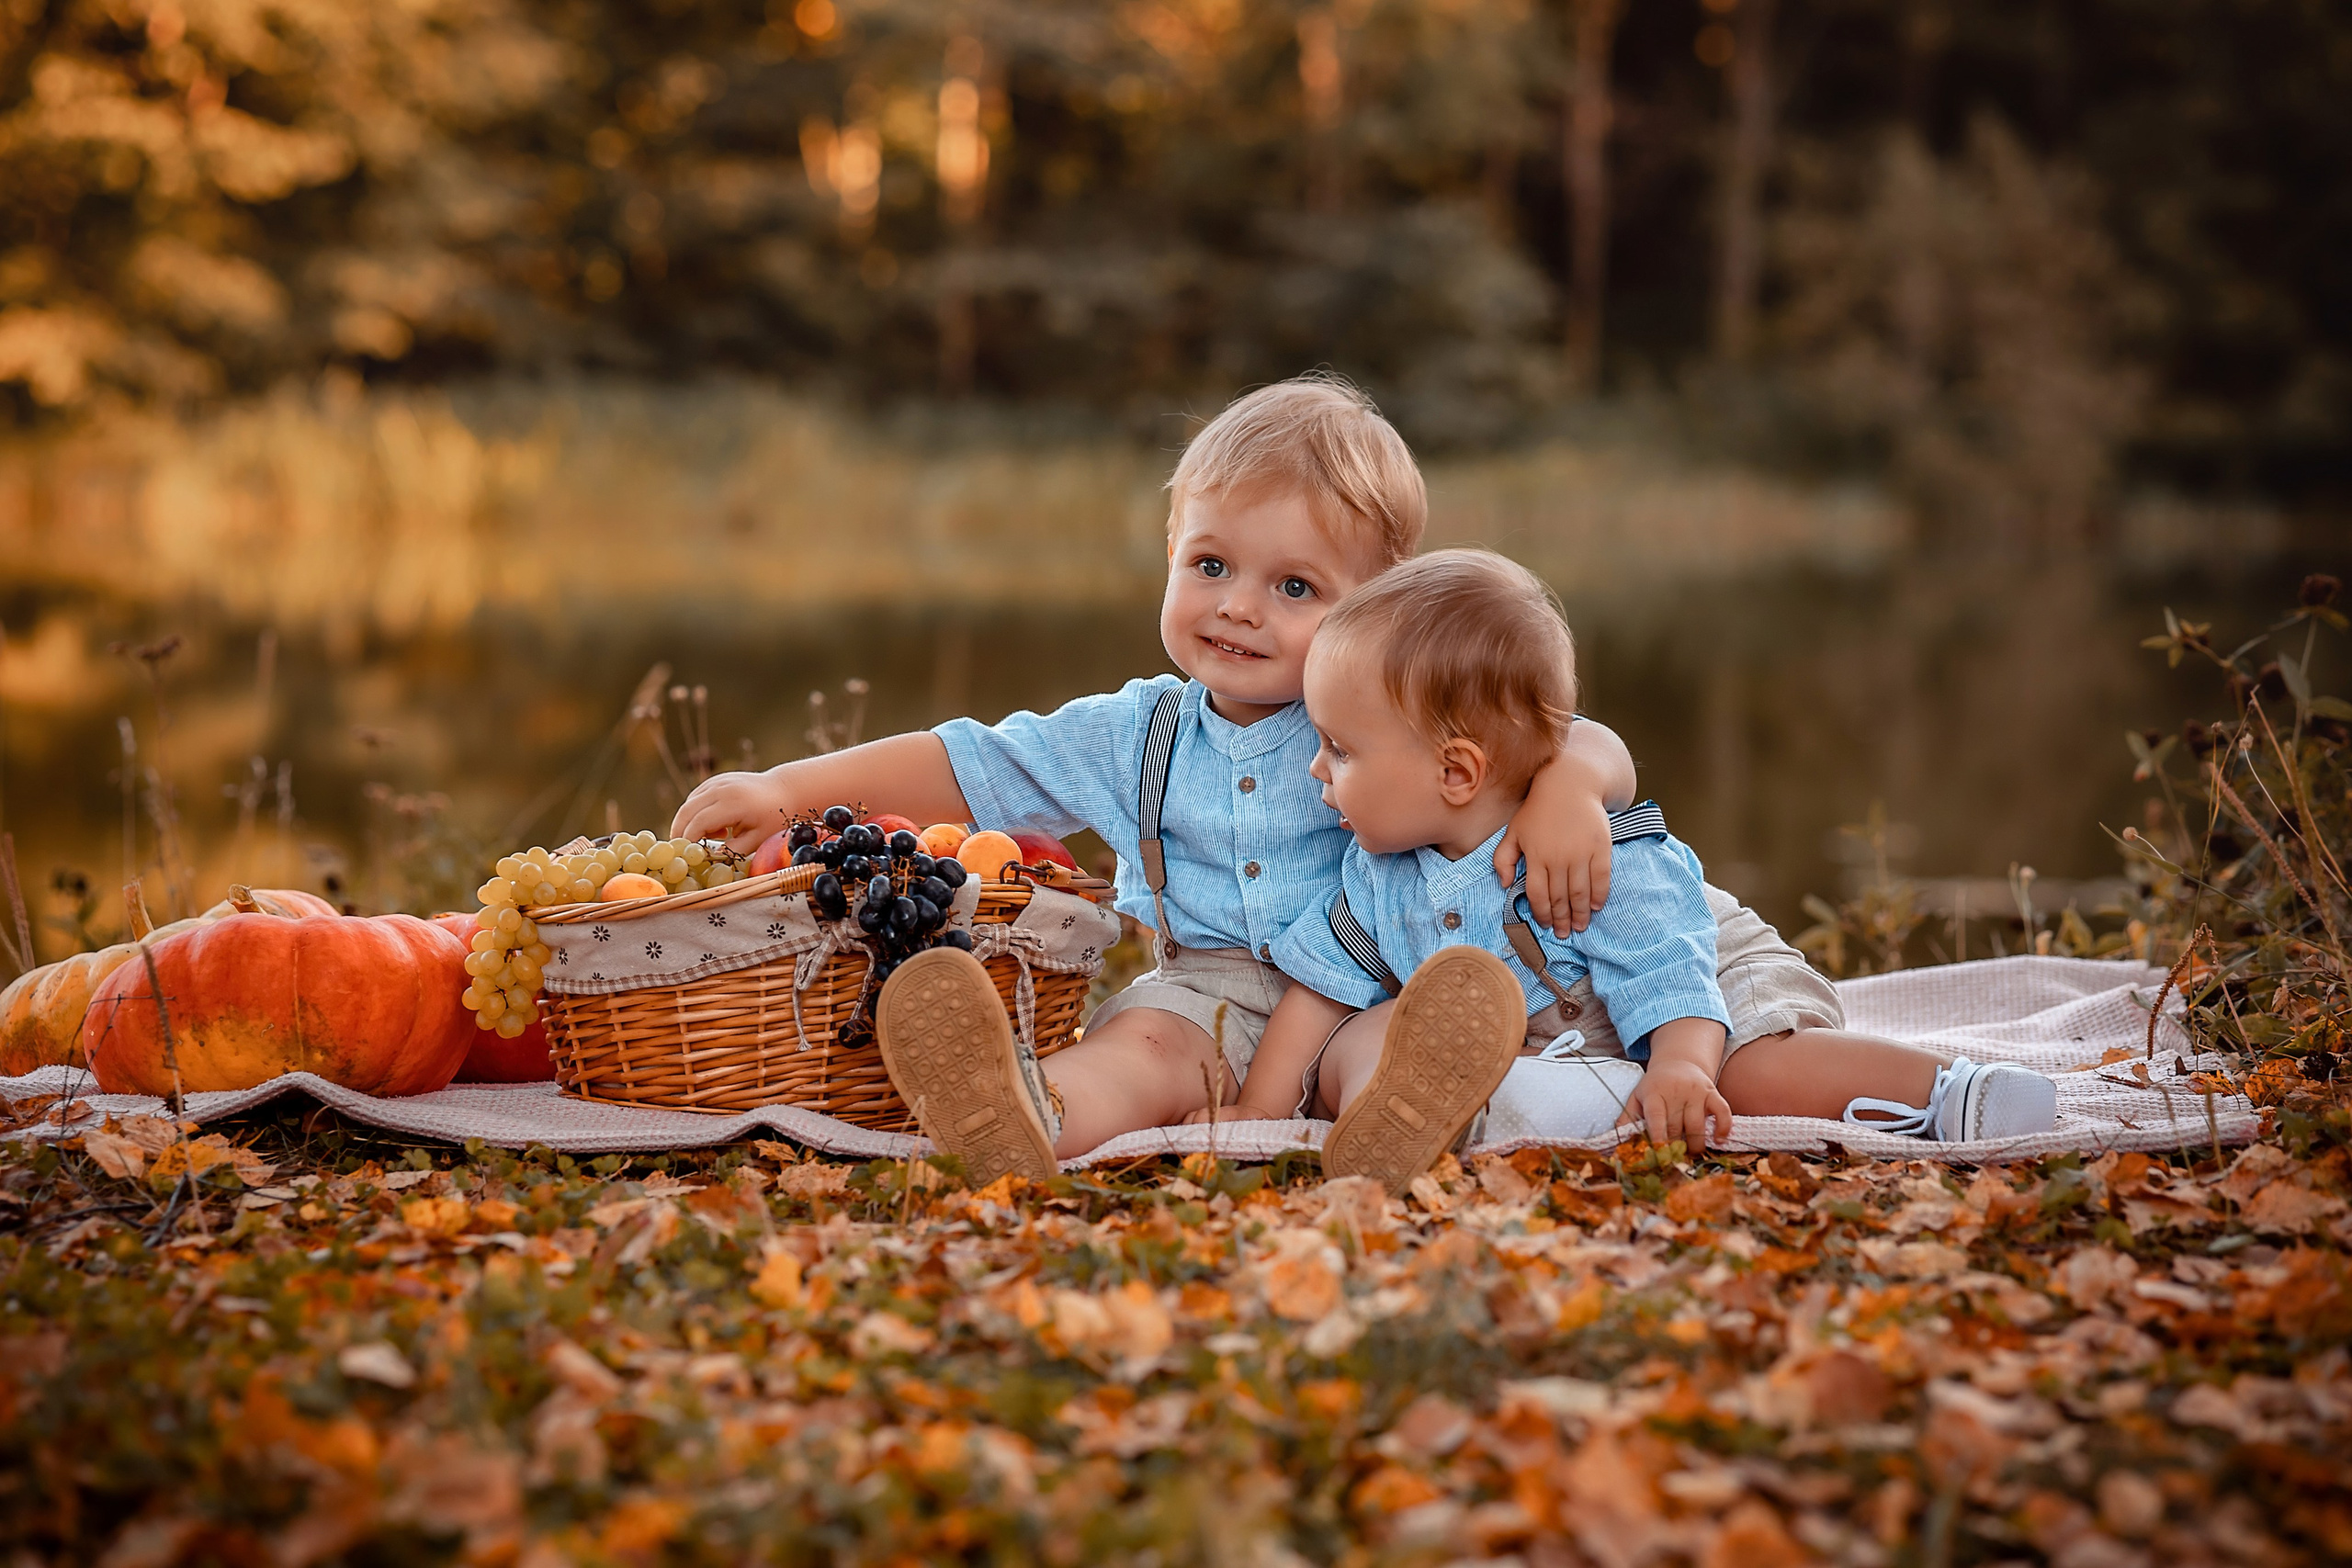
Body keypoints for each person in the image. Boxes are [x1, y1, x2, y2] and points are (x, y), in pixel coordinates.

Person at [671, 376, 1640, 1182]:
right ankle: (1022, 1113)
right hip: (1201, 996)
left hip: (1362, 992)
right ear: (1170, 551)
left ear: (1379, 604)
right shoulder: (1138, 732)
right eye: (1211, 565)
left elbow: (1561, 737)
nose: (1239, 608)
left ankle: (1401, 1124)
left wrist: (1568, 784)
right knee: (1137, 1051)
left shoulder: (1395, 710)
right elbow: (970, 763)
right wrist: (787, 790)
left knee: (1385, 1053)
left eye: (1293, 587)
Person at [1230, 549, 2058, 1192]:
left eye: (1339, 749)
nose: (1315, 768)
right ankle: (1514, 1109)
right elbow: (1319, 991)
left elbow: (1670, 965)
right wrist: (1257, 1114)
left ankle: (1950, 1092)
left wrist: (1683, 1065)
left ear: (1456, 772)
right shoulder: (1380, 872)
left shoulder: (1591, 855)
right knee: (1366, 1041)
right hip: (1584, 1039)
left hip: (1712, 985)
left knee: (1750, 1078)